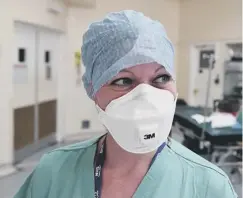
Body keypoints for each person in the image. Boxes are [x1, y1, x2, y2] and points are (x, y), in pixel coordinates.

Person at [14, 10, 237, 198]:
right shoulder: (53, 173)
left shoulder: (209, 187)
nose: (146, 96)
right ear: (92, 90)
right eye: (123, 81)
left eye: (161, 78)